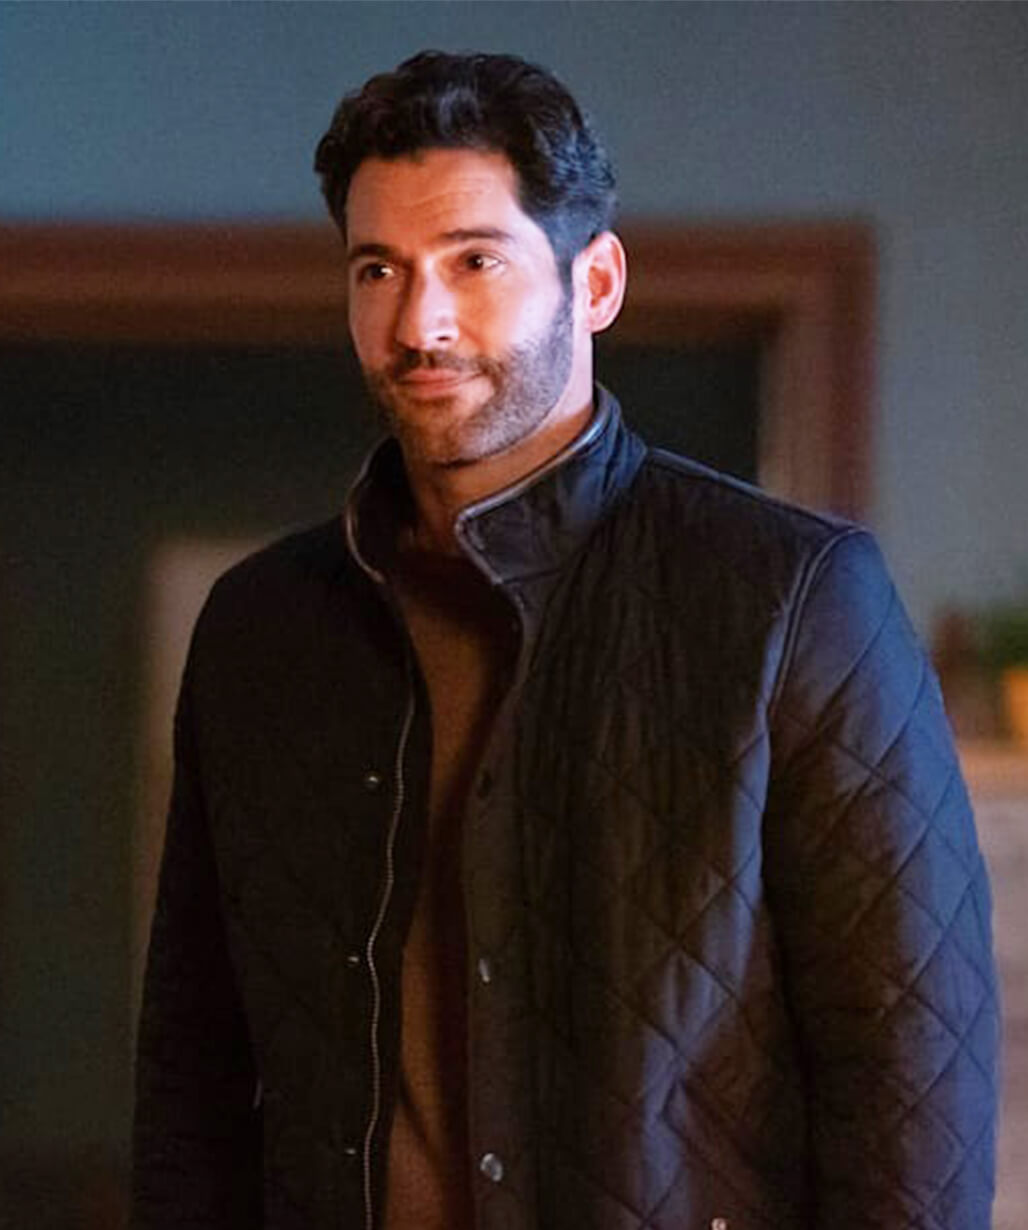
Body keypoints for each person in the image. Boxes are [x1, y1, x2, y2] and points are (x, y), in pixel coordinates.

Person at [131, 50, 999, 1230]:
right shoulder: (262, 628)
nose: (419, 321)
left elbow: (908, 1087)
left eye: (473, 261)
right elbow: (194, 1069)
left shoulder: (790, 596)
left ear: (594, 284)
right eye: (378, 269)